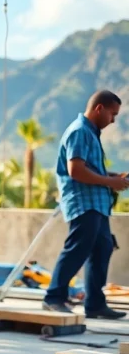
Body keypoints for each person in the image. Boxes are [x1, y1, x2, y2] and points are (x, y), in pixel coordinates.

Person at [43, 90, 128, 319]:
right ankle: (54, 297)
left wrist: (113, 178)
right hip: (84, 203)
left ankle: (95, 304)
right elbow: (76, 170)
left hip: (97, 204)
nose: (113, 121)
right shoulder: (80, 131)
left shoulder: (90, 133)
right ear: (99, 108)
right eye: (113, 114)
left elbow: (89, 169)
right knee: (78, 248)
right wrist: (111, 181)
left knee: (102, 249)